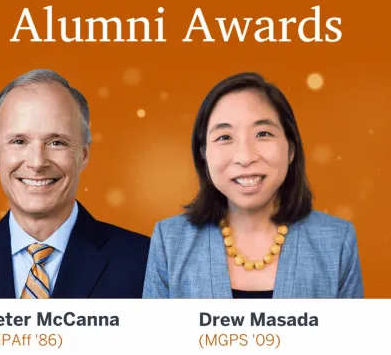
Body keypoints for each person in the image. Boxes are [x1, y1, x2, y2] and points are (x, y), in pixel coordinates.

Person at [0, 69, 150, 298]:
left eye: (56, 142)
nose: (37, 162)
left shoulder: (148, 265)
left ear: (83, 155)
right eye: (19, 141)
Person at [142, 72, 364, 299]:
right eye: (224, 137)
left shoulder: (337, 240)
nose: (245, 157)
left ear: (291, 149)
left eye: (263, 133)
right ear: (204, 155)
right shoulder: (170, 240)